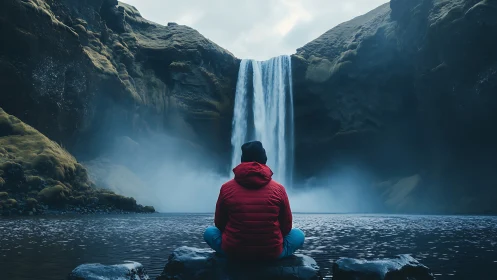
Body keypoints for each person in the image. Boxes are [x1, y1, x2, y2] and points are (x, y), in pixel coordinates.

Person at [203, 141, 305, 260]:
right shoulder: (279, 189)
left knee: (209, 232)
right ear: (264, 160)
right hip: (271, 253)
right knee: (298, 234)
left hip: (234, 252)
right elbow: (286, 227)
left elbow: (219, 224)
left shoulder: (226, 188)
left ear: (242, 160)